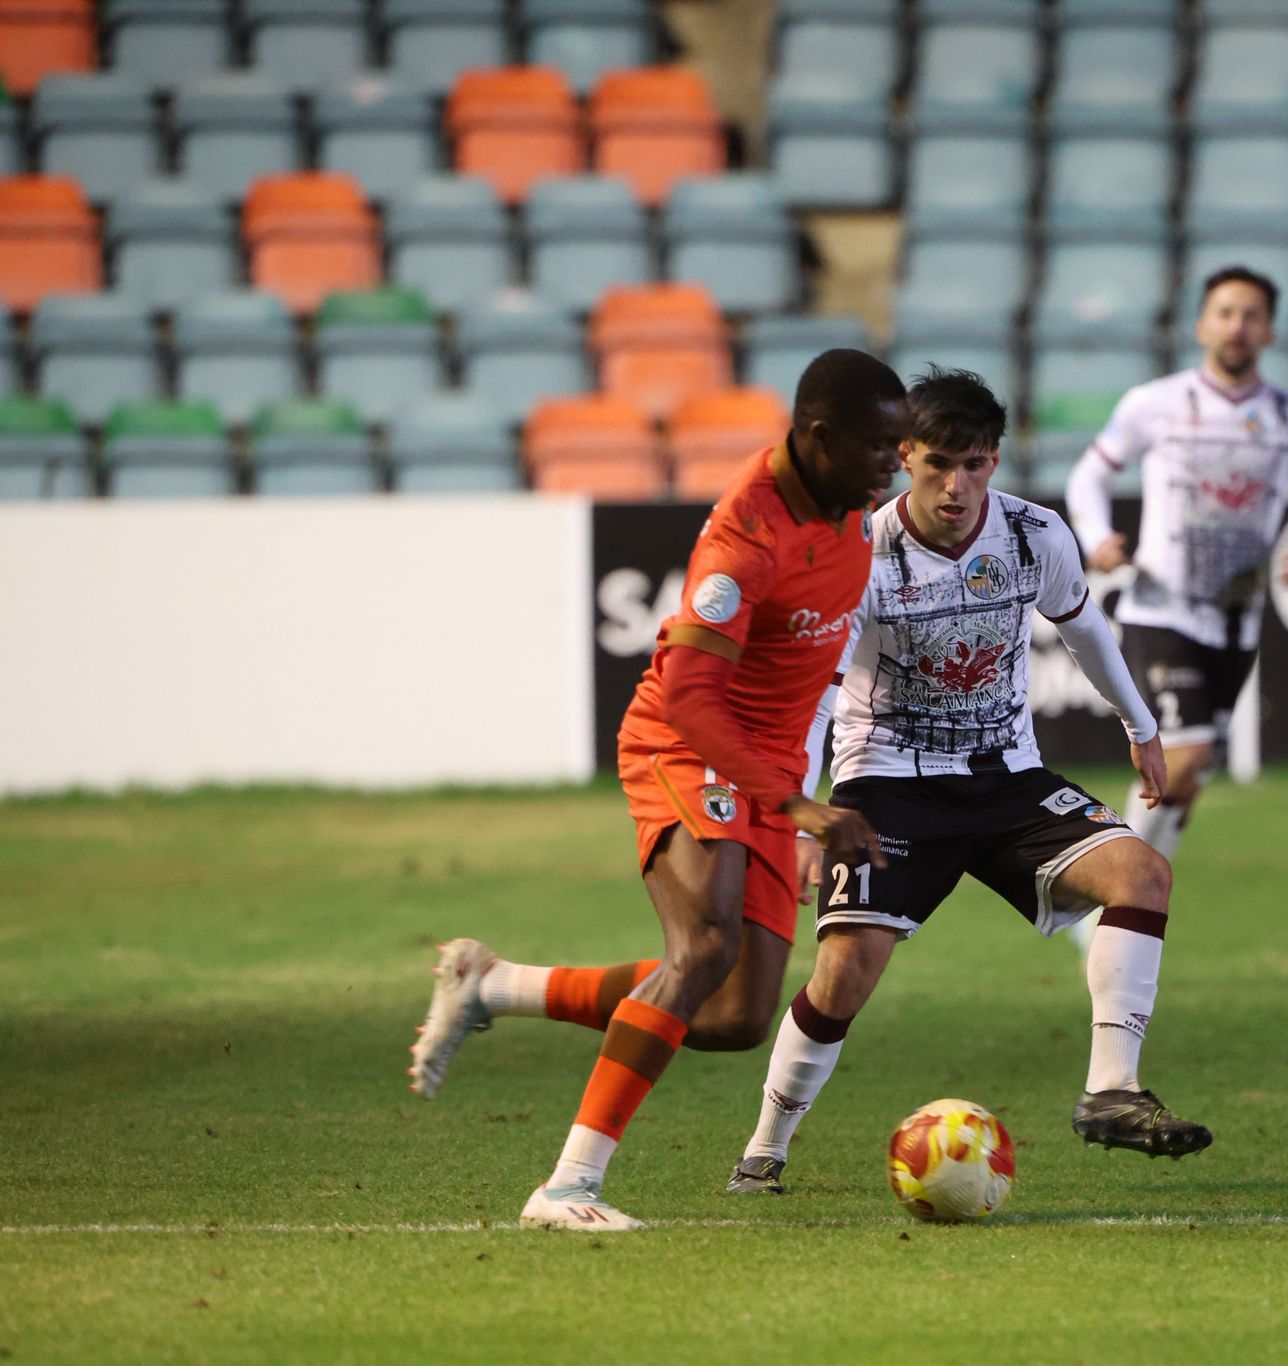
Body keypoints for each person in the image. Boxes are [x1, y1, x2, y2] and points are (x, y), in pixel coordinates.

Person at [405, 348, 909, 1232]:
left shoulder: (851, 513)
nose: (892, 465)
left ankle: (494, 985)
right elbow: (688, 695)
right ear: (820, 438)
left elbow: (819, 672)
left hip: (771, 773)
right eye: (878, 448)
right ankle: (567, 1187)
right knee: (704, 944)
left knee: (735, 1015)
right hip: (689, 747)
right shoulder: (742, 542)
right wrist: (795, 807)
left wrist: (798, 795)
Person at [723, 366, 1211, 1197]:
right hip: (888, 783)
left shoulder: (1033, 534)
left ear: (996, 459)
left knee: (1144, 874)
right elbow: (815, 694)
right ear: (904, 455)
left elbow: (1084, 626)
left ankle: (1110, 1093)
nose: (957, 486)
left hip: (1005, 777)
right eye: (938, 463)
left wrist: (1142, 725)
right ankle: (765, 1146)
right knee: (846, 972)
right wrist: (804, 816)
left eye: (975, 463)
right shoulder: (858, 554)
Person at [1062, 266, 1288, 948]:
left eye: (1251, 315)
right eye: (1225, 312)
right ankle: (1110, 897)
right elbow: (1089, 475)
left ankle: (1124, 896)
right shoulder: (1155, 403)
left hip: (1238, 618)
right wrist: (1097, 538)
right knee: (1181, 759)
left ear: (1269, 331)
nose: (1237, 325)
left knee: (1187, 782)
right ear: (1201, 325)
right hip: (1162, 609)